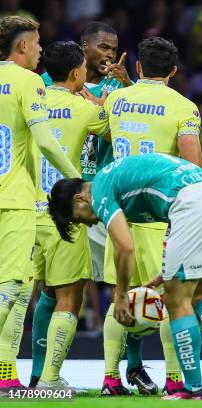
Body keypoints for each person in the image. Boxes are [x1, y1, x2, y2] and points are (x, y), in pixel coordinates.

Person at [47, 153, 202, 400]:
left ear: (81, 198)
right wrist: (168, 271)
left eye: (79, 218)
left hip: (192, 205)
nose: (87, 223)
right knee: (200, 292)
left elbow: (125, 246)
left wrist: (119, 295)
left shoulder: (100, 190)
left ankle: (194, 388)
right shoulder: (120, 175)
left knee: (176, 300)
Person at [31, 21, 133, 390]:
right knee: (57, 289)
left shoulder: (114, 85)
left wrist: (125, 85)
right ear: (83, 48)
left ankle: (122, 370)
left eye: (114, 47)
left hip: (99, 199)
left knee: (112, 283)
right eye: (102, 46)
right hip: (69, 198)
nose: (108, 53)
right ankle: (42, 372)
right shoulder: (45, 82)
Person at [0, 15, 80, 388]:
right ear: (21, 47)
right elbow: (47, 140)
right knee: (13, 285)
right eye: (36, 44)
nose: (40, 51)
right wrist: (76, 179)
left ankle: (6, 376)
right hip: (14, 198)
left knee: (15, 287)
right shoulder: (28, 81)